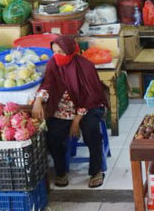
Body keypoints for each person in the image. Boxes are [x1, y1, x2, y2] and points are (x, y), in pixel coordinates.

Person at [32, 36, 108, 188]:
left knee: (91, 131)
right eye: (54, 52)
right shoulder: (53, 63)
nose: (57, 55)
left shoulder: (85, 66)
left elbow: (90, 96)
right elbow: (48, 84)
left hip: (87, 106)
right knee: (53, 134)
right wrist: (38, 100)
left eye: (61, 51)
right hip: (64, 107)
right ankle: (60, 172)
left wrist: (76, 121)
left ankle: (96, 171)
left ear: (70, 51)